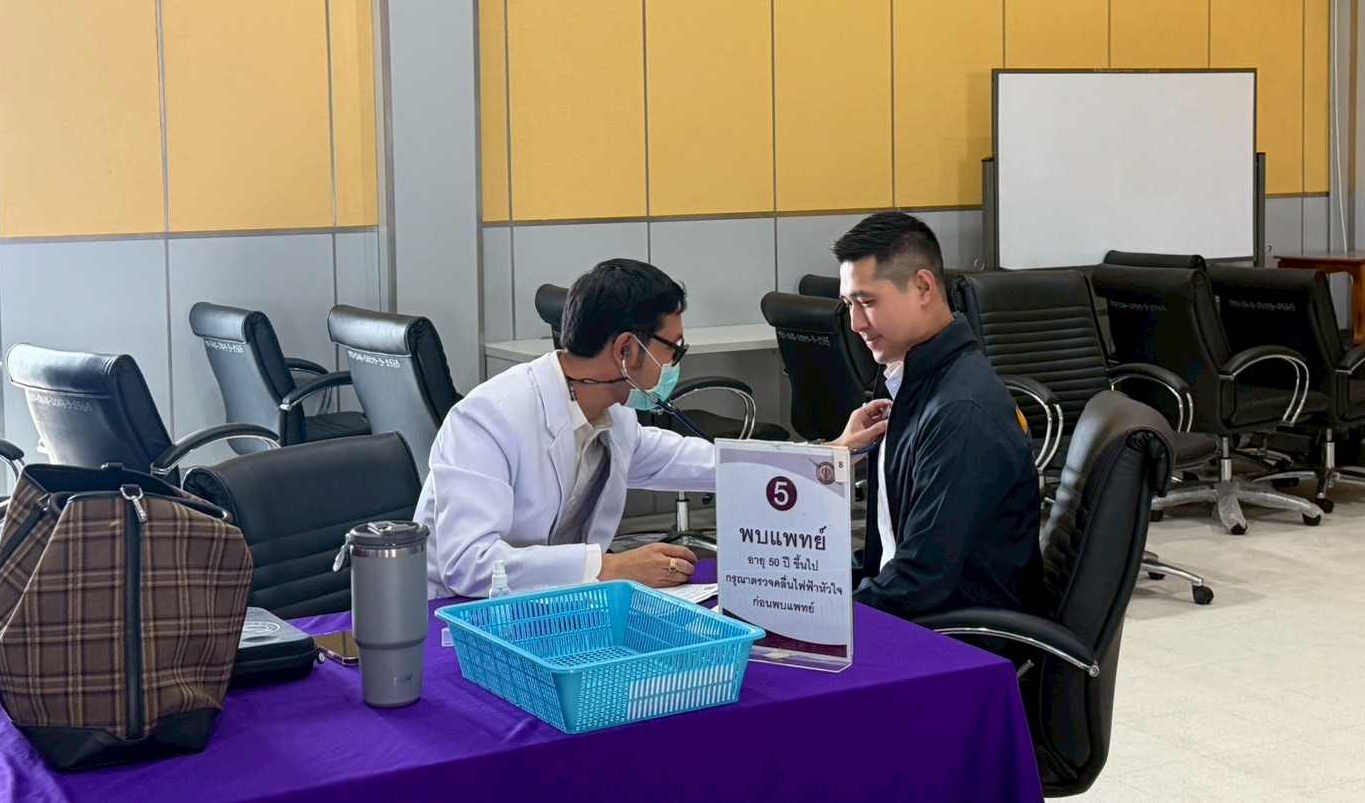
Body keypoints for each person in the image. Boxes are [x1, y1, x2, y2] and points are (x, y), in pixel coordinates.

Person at [416, 258, 885, 598]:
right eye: (672, 349)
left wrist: (828, 452)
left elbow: (707, 462)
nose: (674, 363)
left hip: (550, 611)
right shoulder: (489, 419)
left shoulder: (614, 419)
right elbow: (468, 564)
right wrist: (608, 568)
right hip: (454, 619)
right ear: (626, 349)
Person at [834, 212, 1042, 620]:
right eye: (848, 305)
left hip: (957, 635)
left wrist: (824, 617)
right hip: (919, 611)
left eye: (868, 302)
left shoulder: (960, 411)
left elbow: (920, 579)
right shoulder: (910, 381)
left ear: (923, 287)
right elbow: (890, 550)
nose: (855, 324)